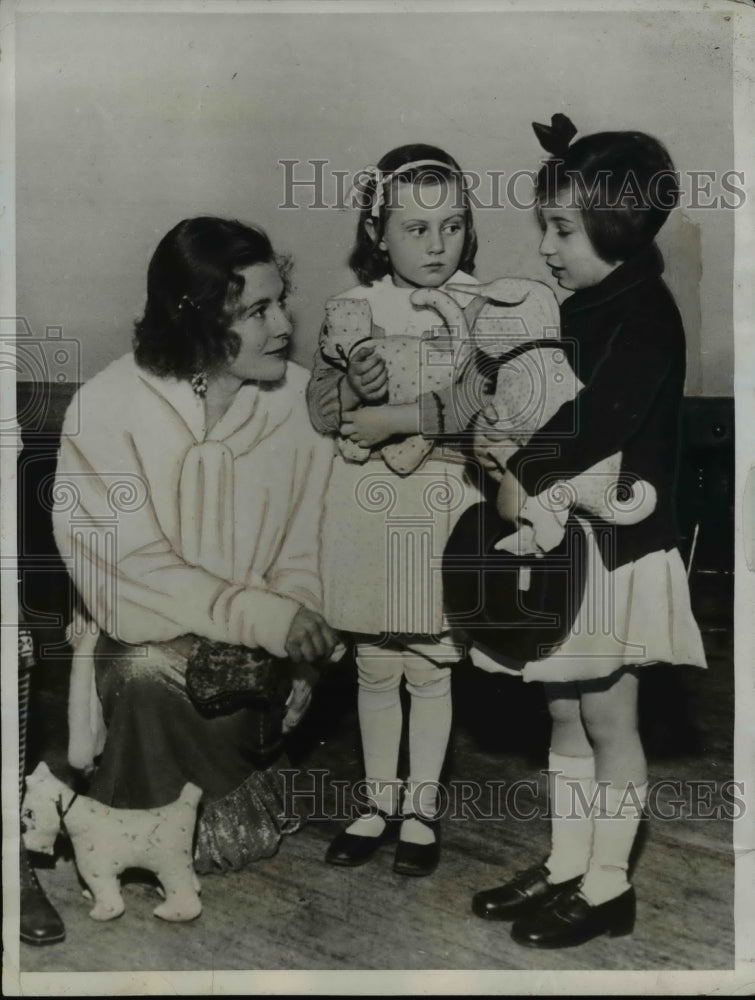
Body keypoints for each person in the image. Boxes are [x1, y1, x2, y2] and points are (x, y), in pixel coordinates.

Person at [466, 117, 707, 947]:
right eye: (544, 226)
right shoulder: (583, 307)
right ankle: (568, 862)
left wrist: (518, 469)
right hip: (571, 548)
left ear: (618, 223)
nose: (545, 247)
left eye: (561, 229)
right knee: (563, 714)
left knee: (608, 721)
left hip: (616, 551)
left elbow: (597, 420)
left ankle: (608, 885)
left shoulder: (645, 314)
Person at [52, 217, 337, 874]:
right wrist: (266, 618)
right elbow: (127, 570)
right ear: (197, 316)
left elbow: (311, 548)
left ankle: (231, 791)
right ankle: (146, 828)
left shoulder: (301, 404)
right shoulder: (107, 406)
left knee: (211, 677)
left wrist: (303, 657)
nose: (284, 326)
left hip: (256, 658)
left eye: (281, 302)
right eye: (258, 311)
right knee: (142, 667)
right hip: (146, 641)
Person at [307, 144, 483, 876]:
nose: (437, 244)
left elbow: (482, 403)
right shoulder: (353, 310)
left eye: (451, 226)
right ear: (378, 232)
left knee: (430, 664)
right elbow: (320, 410)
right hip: (366, 505)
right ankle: (377, 802)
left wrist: (400, 416)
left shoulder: (483, 307)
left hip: (439, 499)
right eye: (416, 228)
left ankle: (420, 810)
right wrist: (352, 387)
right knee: (376, 663)